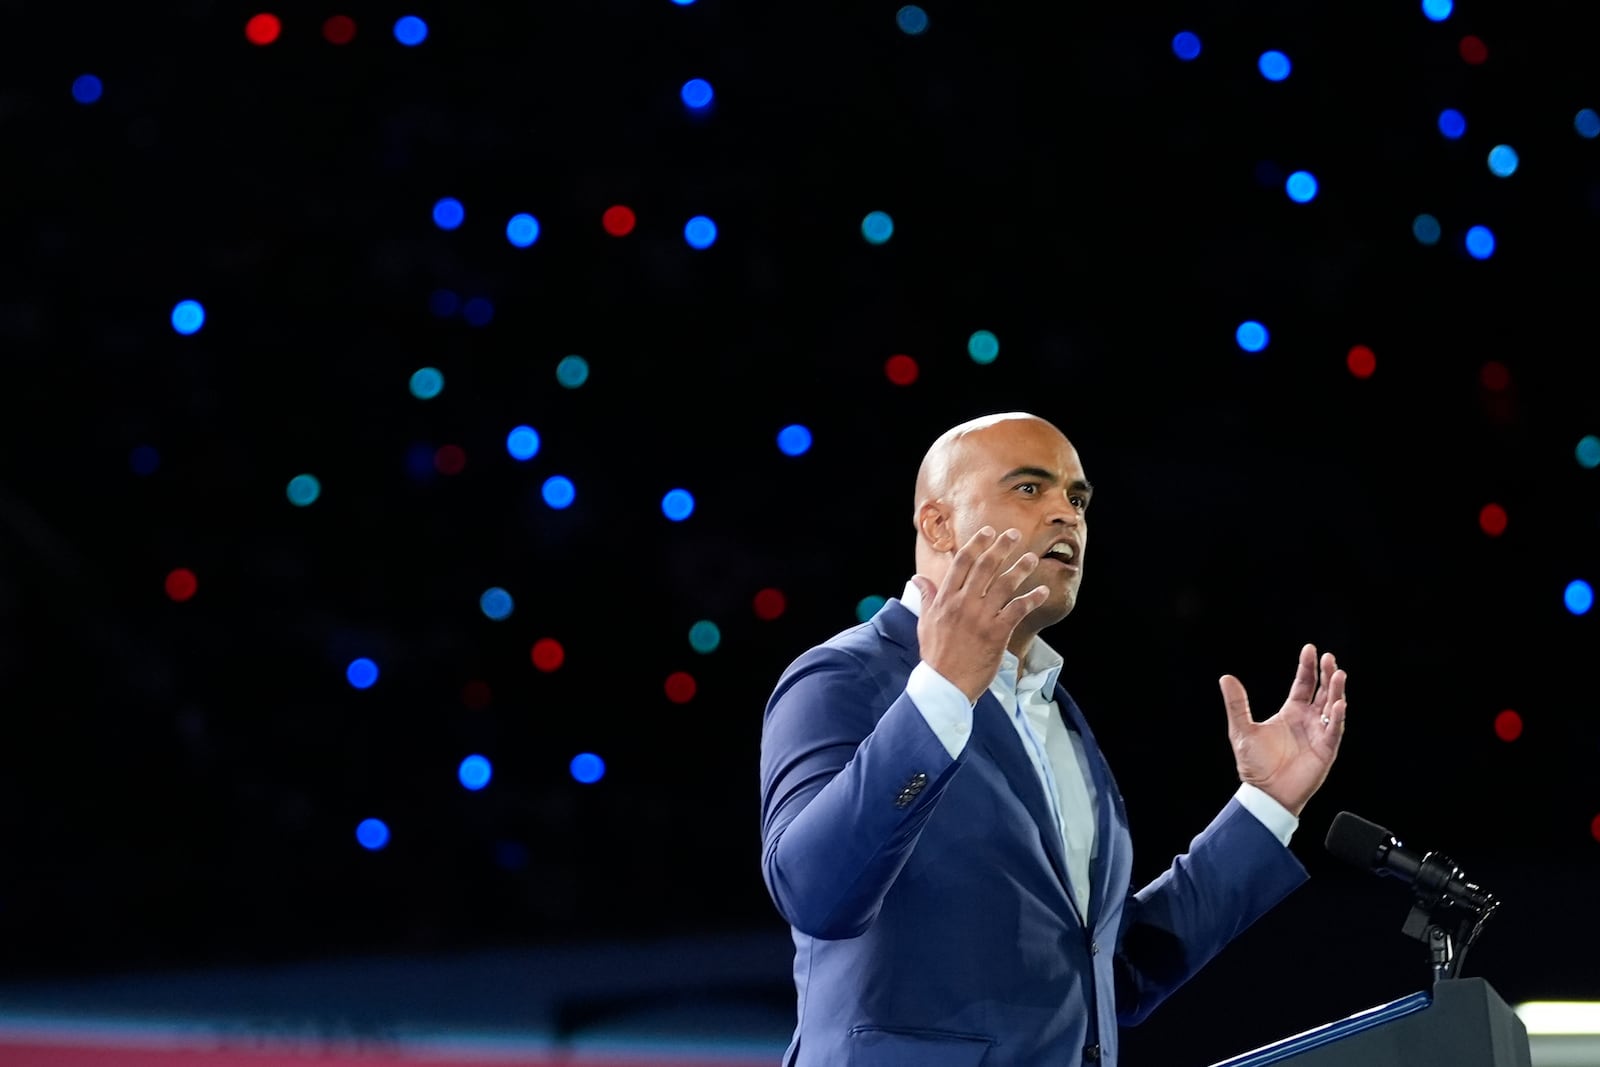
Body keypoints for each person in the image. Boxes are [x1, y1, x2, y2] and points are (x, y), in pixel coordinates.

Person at [758, 411, 1349, 1067]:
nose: (1067, 514)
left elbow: (1105, 970)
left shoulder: (1055, 712)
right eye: (1030, 488)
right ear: (938, 523)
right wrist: (940, 693)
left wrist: (1265, 805)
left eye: (1077, 497)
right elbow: (814, 891)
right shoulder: (846, 677)